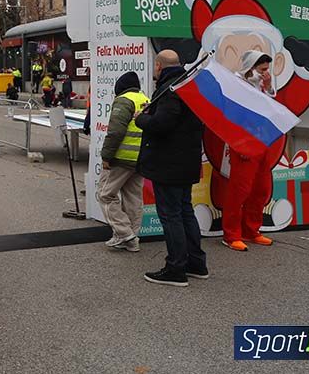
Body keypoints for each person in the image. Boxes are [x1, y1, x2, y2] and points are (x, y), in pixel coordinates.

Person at [135, 50, 207, 287]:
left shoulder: (170, 90)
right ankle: (196, 263)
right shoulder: (187, 85)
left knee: (171, 215)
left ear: (158, 66)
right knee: (185, 211)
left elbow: (162, 123)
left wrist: (141, 119)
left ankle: (176, 267)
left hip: (168, 164)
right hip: (186, 162)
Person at [220, 50, 279, 252]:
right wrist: (239, 143)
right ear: (251, 68)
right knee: (240, 190)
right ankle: (231, 234)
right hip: (243, 143)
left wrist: (268, 86)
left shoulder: (262, 84)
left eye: (267, 69)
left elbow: (271, 107)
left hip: (262, 141)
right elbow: (231, 116)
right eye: (262, 69)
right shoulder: (236, 84)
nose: (265, 73)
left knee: (261, 188)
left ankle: (251, 230)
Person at [96, 71, 148, 252]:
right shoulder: (145, 99)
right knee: (133, 198)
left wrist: (106, 156)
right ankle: (132, 240)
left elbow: (116, 132)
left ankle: (124, 233)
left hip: (122, 158)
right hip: (140, 158)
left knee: (105, 194)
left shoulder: (124, 100)